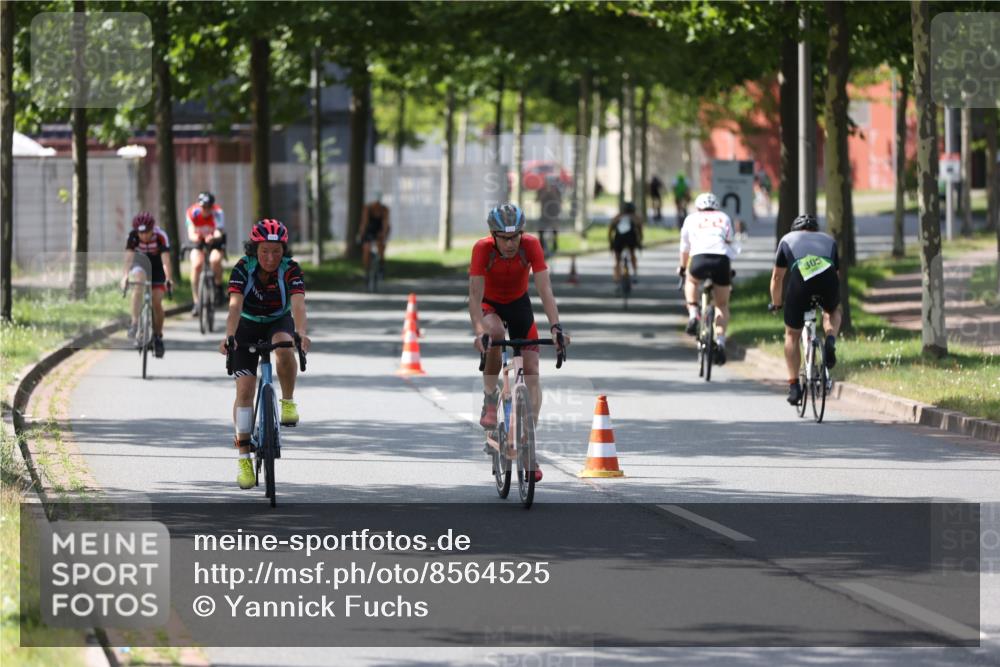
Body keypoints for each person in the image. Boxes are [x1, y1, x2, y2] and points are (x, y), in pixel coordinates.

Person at [469, 203, 570, 483]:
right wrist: (480, 332)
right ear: (493, 235)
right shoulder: (482, 249)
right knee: (496, 334)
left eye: (515, 237)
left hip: (519, 304)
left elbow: (544, 288)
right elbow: (475, 296)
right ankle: (490, 400)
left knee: (533, 364)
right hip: (490, 306)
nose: (511, 244)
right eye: (504, 237)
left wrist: (555, 327)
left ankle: (528, 449)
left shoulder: (531, 246)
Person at [218, 219, 311, 490]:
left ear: (284, 250)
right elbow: (234, 306)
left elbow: (298, 305)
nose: (270, 258)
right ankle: (244, 458)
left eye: (276, 251)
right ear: (254, 250)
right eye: (264, 251)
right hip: (245, 324)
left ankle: (288, 401)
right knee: (244, 391)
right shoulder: (242, 268)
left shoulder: (290, 269)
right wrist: (230, 335)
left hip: (276, 321)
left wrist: (301, 332)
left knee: (284, 344)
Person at [768, 214, 842, 406]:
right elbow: (837, 276)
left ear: (795, 229)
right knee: (832, 311)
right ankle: (831, 338)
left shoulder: (787, 239)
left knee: (791, 334)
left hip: (801, 279)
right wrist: (831, 301)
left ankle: (794, 387)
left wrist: (776, 303)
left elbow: (777, 278)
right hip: (827, 277)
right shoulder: (829, 240)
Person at [678, 192, 737, 365]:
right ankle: (720, 342)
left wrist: (682, 268)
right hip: (721, 261)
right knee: (722, 304)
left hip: (699, 259)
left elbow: (684, 247)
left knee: (691, 280)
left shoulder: (691, 218)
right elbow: (730, 243)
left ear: (698, 207)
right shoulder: (724, 217)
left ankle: (693, 314)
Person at [121, 212, 173, 358]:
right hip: (140, 263)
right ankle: (135, 323)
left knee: (157, 301)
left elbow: (165, 261)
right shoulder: (132, 236)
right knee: (139, 281)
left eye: (147, 232)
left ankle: (157, 336)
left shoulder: (161, 236)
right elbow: (128, 258)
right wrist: (124, 276)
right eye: (141, 233)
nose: (144, 236)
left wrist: (168, 278)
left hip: (157, 267)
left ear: (152, 229)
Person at [186, 191, 226, 315]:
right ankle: (196, 302)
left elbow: (219, 231)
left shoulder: (218, 212)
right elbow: (191, 232)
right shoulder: (192, 212)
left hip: (215, 241)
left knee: (215, 260)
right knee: (196, 265)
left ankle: (218, 287)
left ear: (212, 206)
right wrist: (199, 237)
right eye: (203, 206)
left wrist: (213, 237)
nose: (206, 210)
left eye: (209, 207)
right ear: (199, 205)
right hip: (198, 241)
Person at [608, 201, 644, 289]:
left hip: (618, 239)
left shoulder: (618, 217)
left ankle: (616, 278)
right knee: (632, 254)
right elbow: (640, 231)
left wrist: (610, 242)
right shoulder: (635, 217)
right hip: (630, 239)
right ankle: (635, 273)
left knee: (617, 259)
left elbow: (610, 230)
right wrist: (639, 242)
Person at [357, 191, 391, 276]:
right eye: (375, 203)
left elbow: (385, 223)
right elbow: (364, 223)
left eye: (378, 203)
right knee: (366, 248)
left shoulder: (384, 209)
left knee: (381, 246)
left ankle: (381, 265)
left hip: (379, 230)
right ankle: (366, 270)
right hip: (369, 230)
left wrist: (384, 234)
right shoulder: (367, 209)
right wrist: (361, 234)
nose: (377, 205)